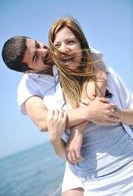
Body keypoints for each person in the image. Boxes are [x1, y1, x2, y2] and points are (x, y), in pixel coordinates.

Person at [2, 35, 120, 195]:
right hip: (77, 156)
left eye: (37, 44)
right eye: (36, 57)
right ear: (27, 71)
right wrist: (88, 112)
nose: (43, 51)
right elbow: (44, 122)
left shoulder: (67, 49)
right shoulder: (27, 87)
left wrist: (76, 132)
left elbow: (99, 78)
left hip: (106, 135)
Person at [47, 16, 133, 195]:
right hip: (95, 186)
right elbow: (67, 157)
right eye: (57, 45)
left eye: (70, 42)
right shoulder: (53, 98)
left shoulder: (107, 76)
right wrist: (54, 139)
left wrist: (114, 113)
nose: (64, 49)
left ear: (82, 45)